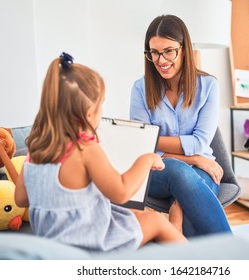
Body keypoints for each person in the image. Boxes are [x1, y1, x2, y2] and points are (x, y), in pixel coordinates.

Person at [15, 52, 186, 253]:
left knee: (126, 213)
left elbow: (20, 199)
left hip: (54, 248)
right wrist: (146, 160)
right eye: (101, 105)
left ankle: (173, 230)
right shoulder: (85, 149)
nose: (101, 111)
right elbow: (121, 191)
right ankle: (194, 255)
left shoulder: (36, 150)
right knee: (156, 220)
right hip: (91, 244)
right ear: (89, 113)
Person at [130, 15, 232, 237]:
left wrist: (153, 139)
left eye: (168, 51)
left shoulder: (208, 86)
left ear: (184, 49)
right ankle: (232, 251)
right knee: (179, 171)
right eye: (154, 52)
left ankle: (185, 254)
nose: (161, 60)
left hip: (203, 170)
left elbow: (200, 142)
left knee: (187, 212)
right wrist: (193, 159)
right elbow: (141, 146)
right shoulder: (140, 89)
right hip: (157, 171)